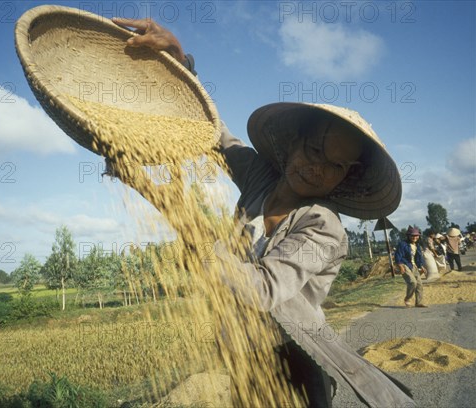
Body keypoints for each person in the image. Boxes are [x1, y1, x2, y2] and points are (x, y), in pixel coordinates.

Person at [112, 17, 415, 408]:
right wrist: (180, 63)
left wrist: (184, 219)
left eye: (335, 166)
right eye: (315, 150)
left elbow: (262, 290)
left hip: (296, 360)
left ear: (343, 179)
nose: (317, 168)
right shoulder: (259, 179)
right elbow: (213, 133)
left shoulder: (324, 228)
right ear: (292, 144)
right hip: (240, 353)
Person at [394, 227, 427, 307]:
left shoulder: (417, 245)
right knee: (412, 282)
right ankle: (407, 299)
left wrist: (421, 266)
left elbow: (418, 258)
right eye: (412, 236)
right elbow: (397, 256)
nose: (415, 237)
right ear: (408, 236)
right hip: (404, 264)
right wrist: (400, 266)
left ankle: (418, 302)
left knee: (419, 284)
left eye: (416, 235)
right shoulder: (403, 244)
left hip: (413, 266)